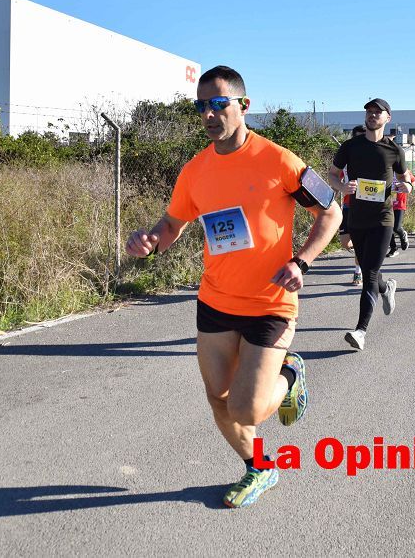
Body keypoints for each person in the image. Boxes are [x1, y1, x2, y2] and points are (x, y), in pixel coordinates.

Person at [125, 65, 341, 508]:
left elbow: (331, 212)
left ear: (243, 105)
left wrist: (302, 261)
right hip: (217, 301)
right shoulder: (195, 170)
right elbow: (173, 223)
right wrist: (151, 241)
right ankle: (260, 466)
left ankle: (291, 374)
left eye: (218, 103)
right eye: (201, 105)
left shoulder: (280, 160)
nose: (209, 113)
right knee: (218, 398)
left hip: (270, 303)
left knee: (246, 408)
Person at [328, 98, 414, 351]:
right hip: (357, 217)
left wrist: (406, 186)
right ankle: (388, 288)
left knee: (369, 274)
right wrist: (342, 186)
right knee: (368, 270)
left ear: (388, 118)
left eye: (378, 112)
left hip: (383, 219)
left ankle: (360, 331)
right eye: (369, 111)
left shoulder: (394, 151)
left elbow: (406, 179)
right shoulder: (350, 146)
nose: (372, 115)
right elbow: (332, 174)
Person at [337, 126, 367, 286]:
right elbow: (337, 178)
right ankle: (362, 253)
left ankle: (358, 272)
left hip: (364, 207)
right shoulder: (346, 159)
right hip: (348, 204)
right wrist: (342, 187)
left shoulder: (373, 158)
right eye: (358, 138)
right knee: (345, 243)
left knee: (358, 240)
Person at [387, 188, 411, 257]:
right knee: (388, 228)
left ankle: (402, 234)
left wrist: (408, 186)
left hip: (399, 204)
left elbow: (413, 182)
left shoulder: (402, 176)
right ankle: (393, 248)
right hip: (388, 205)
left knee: (396, 227)